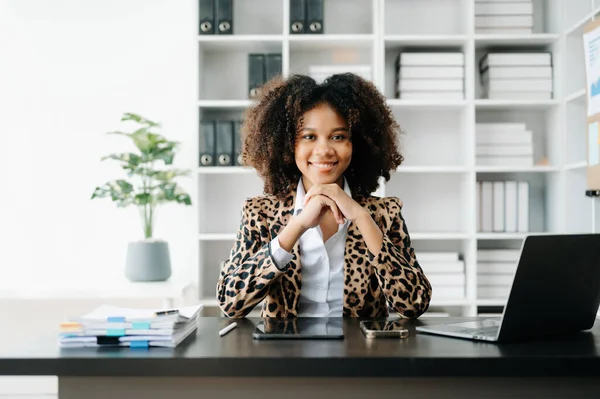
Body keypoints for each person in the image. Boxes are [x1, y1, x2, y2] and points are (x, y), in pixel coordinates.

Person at [216, 73, 432, 319]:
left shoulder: (385, 213)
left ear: (357, 144)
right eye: (309, 137)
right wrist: (296, 226)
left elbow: (415, 304)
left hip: (360, 353)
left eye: (338, 137)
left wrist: (362, 217)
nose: (324, 150)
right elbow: (229, 303)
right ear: (287, 145)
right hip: (286, 353)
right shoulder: (260, 213)